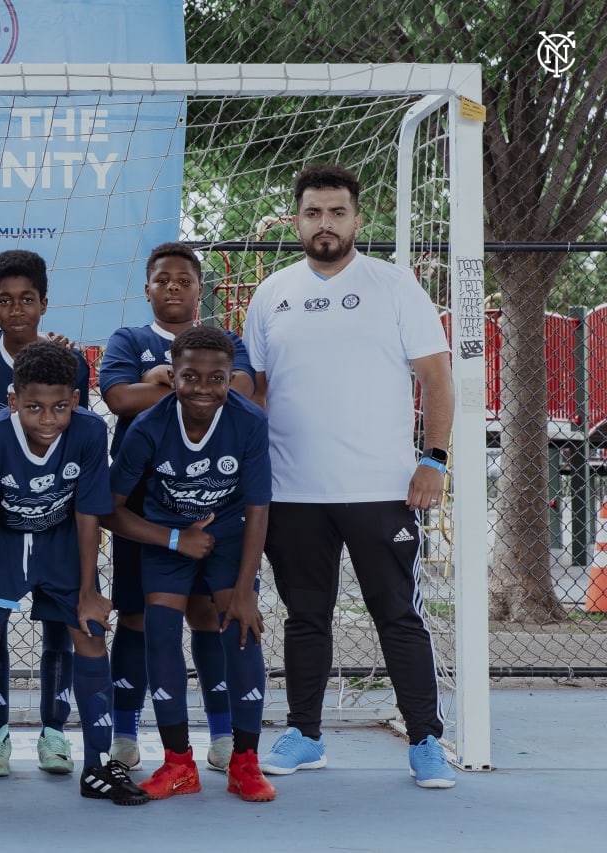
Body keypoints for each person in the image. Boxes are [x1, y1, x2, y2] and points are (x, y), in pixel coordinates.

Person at [242, 164, 456, 788]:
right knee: (306, 618)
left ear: (358, 220)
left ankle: (425, 742)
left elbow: (437, 378)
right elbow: (255, 392)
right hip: (293, 491)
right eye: (314, 212)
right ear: (298, 220)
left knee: (398, 616)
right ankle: (306, 735)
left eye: (337, 212)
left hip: (381, 490)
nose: (325, 223)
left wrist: (433, 459)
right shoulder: (272, 292)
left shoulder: (394, 286)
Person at [0, 341, 148, 809]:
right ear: (12, 402)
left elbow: (89, 516)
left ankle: (98, 765)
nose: (48, 419)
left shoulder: (86, 432)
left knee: (89, 632)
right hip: (2, 544)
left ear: (77, 401)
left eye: (60, 407)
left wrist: (88, 591)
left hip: (61, 542)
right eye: (34, 407)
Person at [98, 241, 256, 773]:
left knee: (209, 615)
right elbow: (117, 399)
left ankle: (220, 734)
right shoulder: (129, 338)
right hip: (144, 504)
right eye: (162, 279)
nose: (172, 287)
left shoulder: (226, 341)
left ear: (198, 289)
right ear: (147, 289)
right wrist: (170, 385)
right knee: (140, 616)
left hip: (215, 500)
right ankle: (124, 733)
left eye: (183, 280)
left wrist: (167, 383)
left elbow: (244, 392)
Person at [0, 250, 91, 777]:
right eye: (5, 301)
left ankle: (55, 733)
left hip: (54, 516)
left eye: (27, 299)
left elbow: (80, 438)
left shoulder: (68, 361)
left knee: (63, 629)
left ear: (44, 303)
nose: (17, 310)